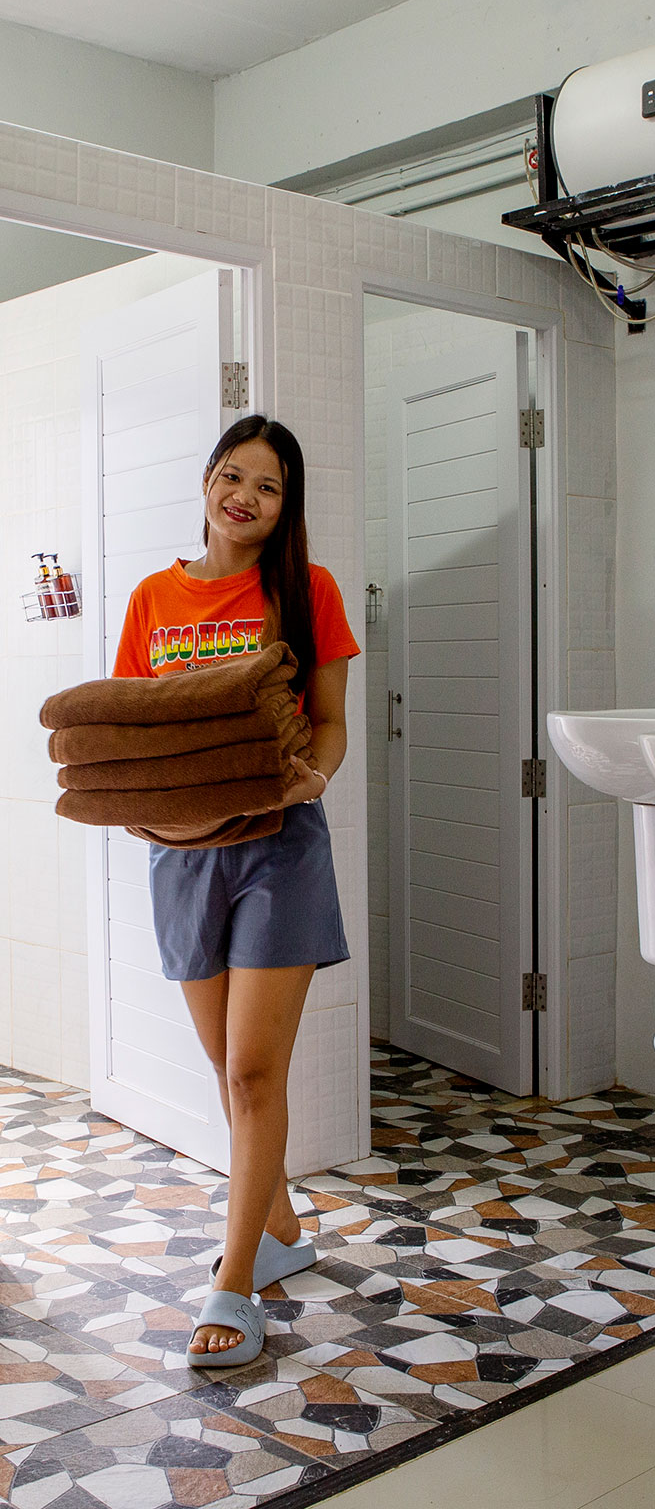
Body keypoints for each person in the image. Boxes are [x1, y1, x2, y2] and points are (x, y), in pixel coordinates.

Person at [112, 415, 359, 1367]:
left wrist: (314, 779)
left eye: (267, 485)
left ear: (285, 506)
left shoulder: (308, 590)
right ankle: (283, 1228)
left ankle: (234, 1280)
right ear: (207, 482)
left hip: (278, 844)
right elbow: (133, 727)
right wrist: (136, 805)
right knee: (226, 1070)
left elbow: (328, 722)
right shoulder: (152, 597)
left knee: (255, 1072)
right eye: (231, 475)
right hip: (179, 853)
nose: (244, 496)